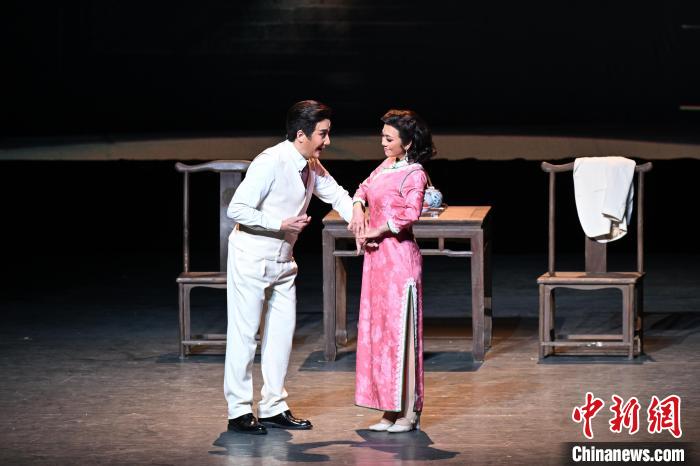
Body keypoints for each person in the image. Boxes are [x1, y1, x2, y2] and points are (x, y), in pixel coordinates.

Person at [225, 100, 355, 434]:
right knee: (245, 335)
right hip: (252, 256)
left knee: (281, 336)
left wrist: (362, 222)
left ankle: (273, 406)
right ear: (301, 134)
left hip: (283, 261)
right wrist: (279, 223)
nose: (327, 141)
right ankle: (238, 411)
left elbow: (337, 195)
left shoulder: (311, 165)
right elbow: (236, 209)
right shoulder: (270, 162)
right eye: (322, 134)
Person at [349, 109, 436, 433]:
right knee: (381, 335)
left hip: (399, 261)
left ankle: (409, 413)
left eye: (389, 139)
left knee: (402, 336)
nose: (383, 143)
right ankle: (388, 410)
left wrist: (377, 228)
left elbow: (411, 213)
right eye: (382, 137)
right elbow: (363, 188)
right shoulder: (386, 165)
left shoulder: (414, 173)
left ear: (407, 142)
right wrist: (358, 207)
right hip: (377, 262)